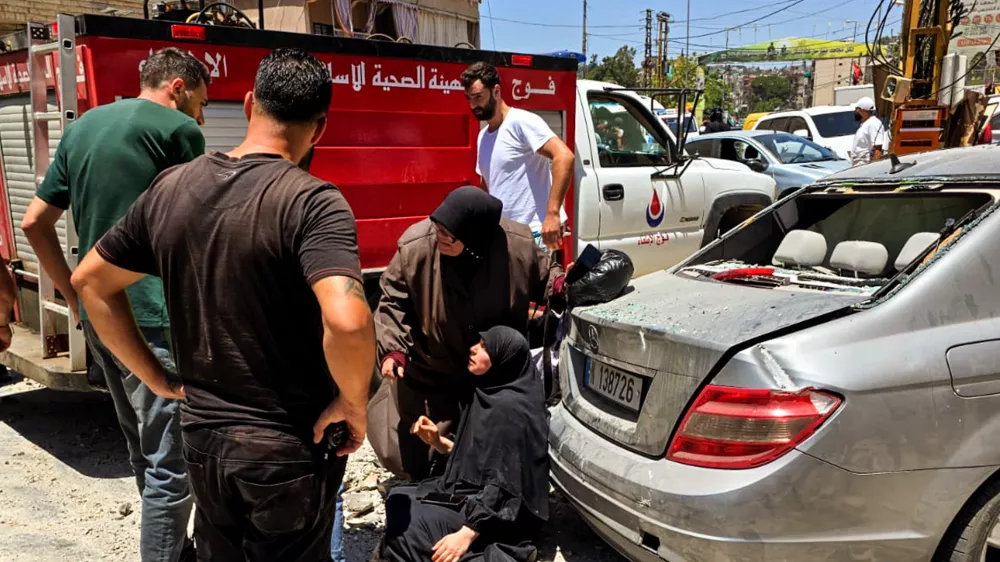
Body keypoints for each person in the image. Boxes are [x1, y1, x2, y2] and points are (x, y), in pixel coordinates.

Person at [70, 48, 376, 561]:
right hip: (287, 450)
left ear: (251, 103)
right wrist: (353, 404)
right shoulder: (313, 202)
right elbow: (347, 322)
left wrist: (157, 380)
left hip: (203, 441)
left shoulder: (171, 188)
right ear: (319, 129)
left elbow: (90, 282)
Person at [21, 47, 209, 562]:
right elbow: (209, 222)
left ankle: (176, 549)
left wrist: (73, 291)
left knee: (145, 455)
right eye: (201, 102)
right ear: (179, 87)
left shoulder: (82, 127)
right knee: (174, 468)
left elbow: (34, 222)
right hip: (158, 320)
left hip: (101, 319)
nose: (200, 115)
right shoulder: (178, 131)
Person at [374, 186, 563, 481]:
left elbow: (547, 275)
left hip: (492, 369)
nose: (440, 237)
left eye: (449, 235)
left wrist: (563, 284)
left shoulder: (516, 244)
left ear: (474, 238)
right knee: (414, 454)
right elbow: (391, 301)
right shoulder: (416, 247)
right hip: (433, 368)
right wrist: (393, 350)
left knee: (498, 454)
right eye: (437, 229)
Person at [381, 326, 549, 562]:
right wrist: (438, 441)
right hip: (481, 496)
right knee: (399, 496)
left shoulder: (512, 412)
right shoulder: (488, 394)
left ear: (504, 359)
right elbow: (479, 460)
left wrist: (466, 534)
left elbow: (506, 486)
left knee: (411, 524)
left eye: (484, 347)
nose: (473, 349)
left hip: (505, 514)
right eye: (478, 343)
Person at [462, 62, 575, 251]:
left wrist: (553, 214)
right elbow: (489, 185)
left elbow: (564, 156)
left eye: (478, 97)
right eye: (469, 99)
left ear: (496, 91)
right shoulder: (483, 137)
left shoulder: (521, 122)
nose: (473, 105)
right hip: (505, 236)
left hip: (534, 235)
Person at [850, 96, 888, 166]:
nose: (855, 111)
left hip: (865, 166)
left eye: (857, 109)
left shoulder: (874, 124)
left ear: (862, 110)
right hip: (859, 166)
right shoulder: (865, 124)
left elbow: (878, 150)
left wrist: (872, 169)